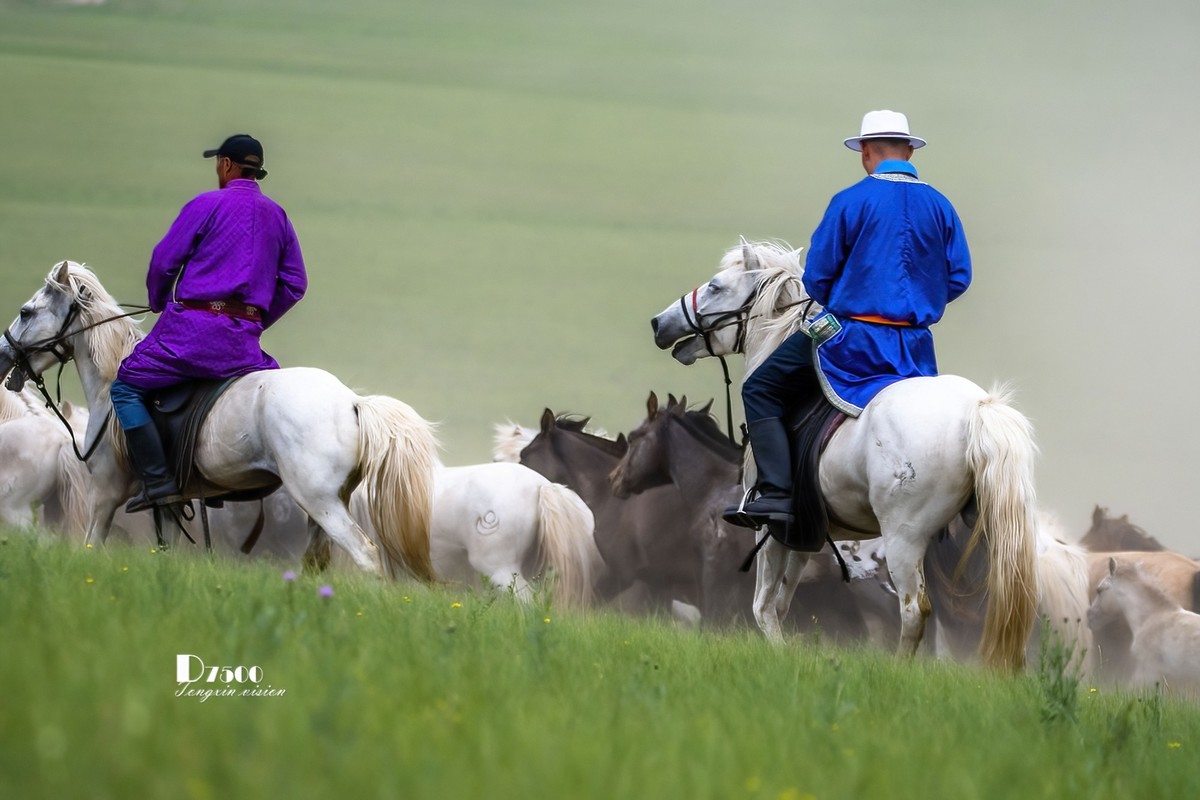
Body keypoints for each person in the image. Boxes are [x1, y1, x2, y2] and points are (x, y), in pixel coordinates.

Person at [727, 110, 971, 528]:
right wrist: (916, 303)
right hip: (914, 346)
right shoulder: (943, 206)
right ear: (910, 151)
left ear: (865, 153)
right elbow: (959, 278)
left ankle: (777, 495)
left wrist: (849, 299)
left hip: (847, 335)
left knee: (761, 387)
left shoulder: (849, 201)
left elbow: (817, 277)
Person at [111, 134, 308, 513]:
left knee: (125, 386)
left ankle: (158, 481)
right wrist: (256, 318)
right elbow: (296, 283)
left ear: (228, 165)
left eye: (218, 162)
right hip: (243, 343)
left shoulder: (206, 204)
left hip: (191, 335)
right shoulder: (277, 215)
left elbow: (163, 261)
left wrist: (159, 300)